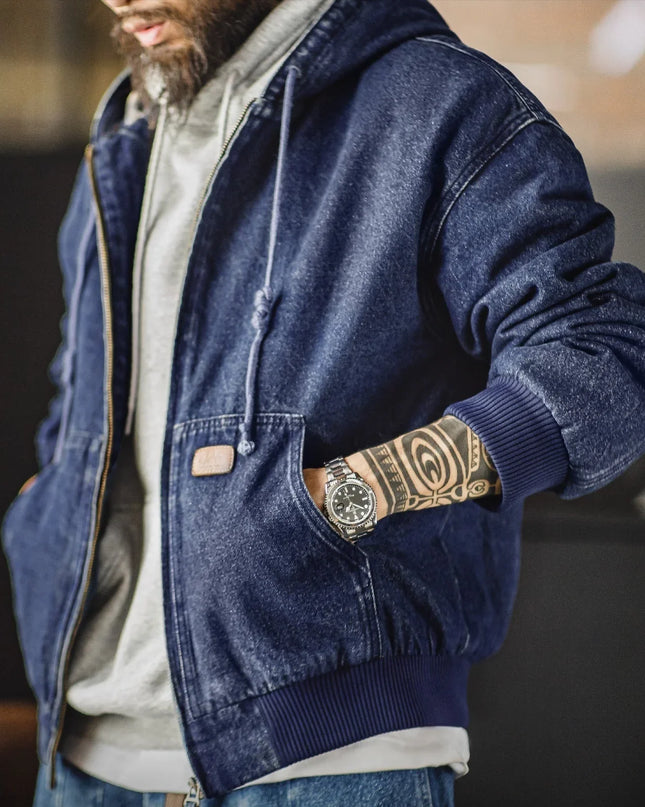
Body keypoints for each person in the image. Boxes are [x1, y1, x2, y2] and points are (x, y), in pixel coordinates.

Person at [3, 0, 645, 804]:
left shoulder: (436, 102)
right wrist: (45, 513)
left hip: (333, 765)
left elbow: (599, 352)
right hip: (85, 754)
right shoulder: (130, 135)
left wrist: (346, 494)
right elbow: (82, 396)